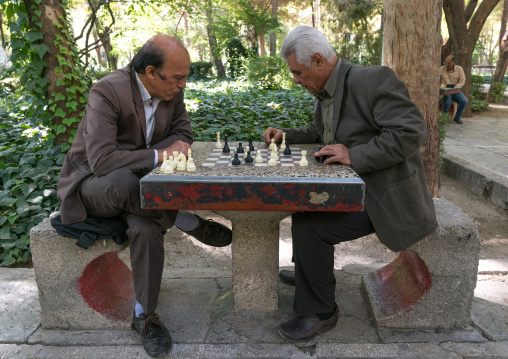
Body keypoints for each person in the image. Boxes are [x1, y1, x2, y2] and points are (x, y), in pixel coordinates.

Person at [56, 35, 232, 357]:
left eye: (185, 78)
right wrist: (160, 155)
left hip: (144, 192)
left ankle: (144, 315)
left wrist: (172, 148)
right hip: (94, 186)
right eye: (178, 78)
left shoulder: (171, 92)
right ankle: (185, 220)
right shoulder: (107, 91)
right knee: (123, 183)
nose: (182, 85)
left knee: (146, 228)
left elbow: (184, 133)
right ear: (151, 72)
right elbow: (102, 160)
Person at [263, 26, 438, 342]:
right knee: (304, 209)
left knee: (311, 227)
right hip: (356, 188)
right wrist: (286, 135)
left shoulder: (372, 80)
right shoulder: (325, 91)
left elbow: (411, 132)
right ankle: (309, 276)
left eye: (298, 72)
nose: (296, 80)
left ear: (318, 60)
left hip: (385, 196)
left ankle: (321, 311)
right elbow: (322, 133)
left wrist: (354, 154)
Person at [440, 55, 469, 124]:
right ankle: (445, 118)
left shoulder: (459, 69)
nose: (446, 65)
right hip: (445, 91)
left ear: (453, 62)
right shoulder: (441, 69)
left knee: (464, 101)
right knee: (448, 100)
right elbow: (441, 81)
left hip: (455, 91)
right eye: (445, 63)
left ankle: (457, 117)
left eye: (448, 63)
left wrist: (456, 87)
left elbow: (462, 81)